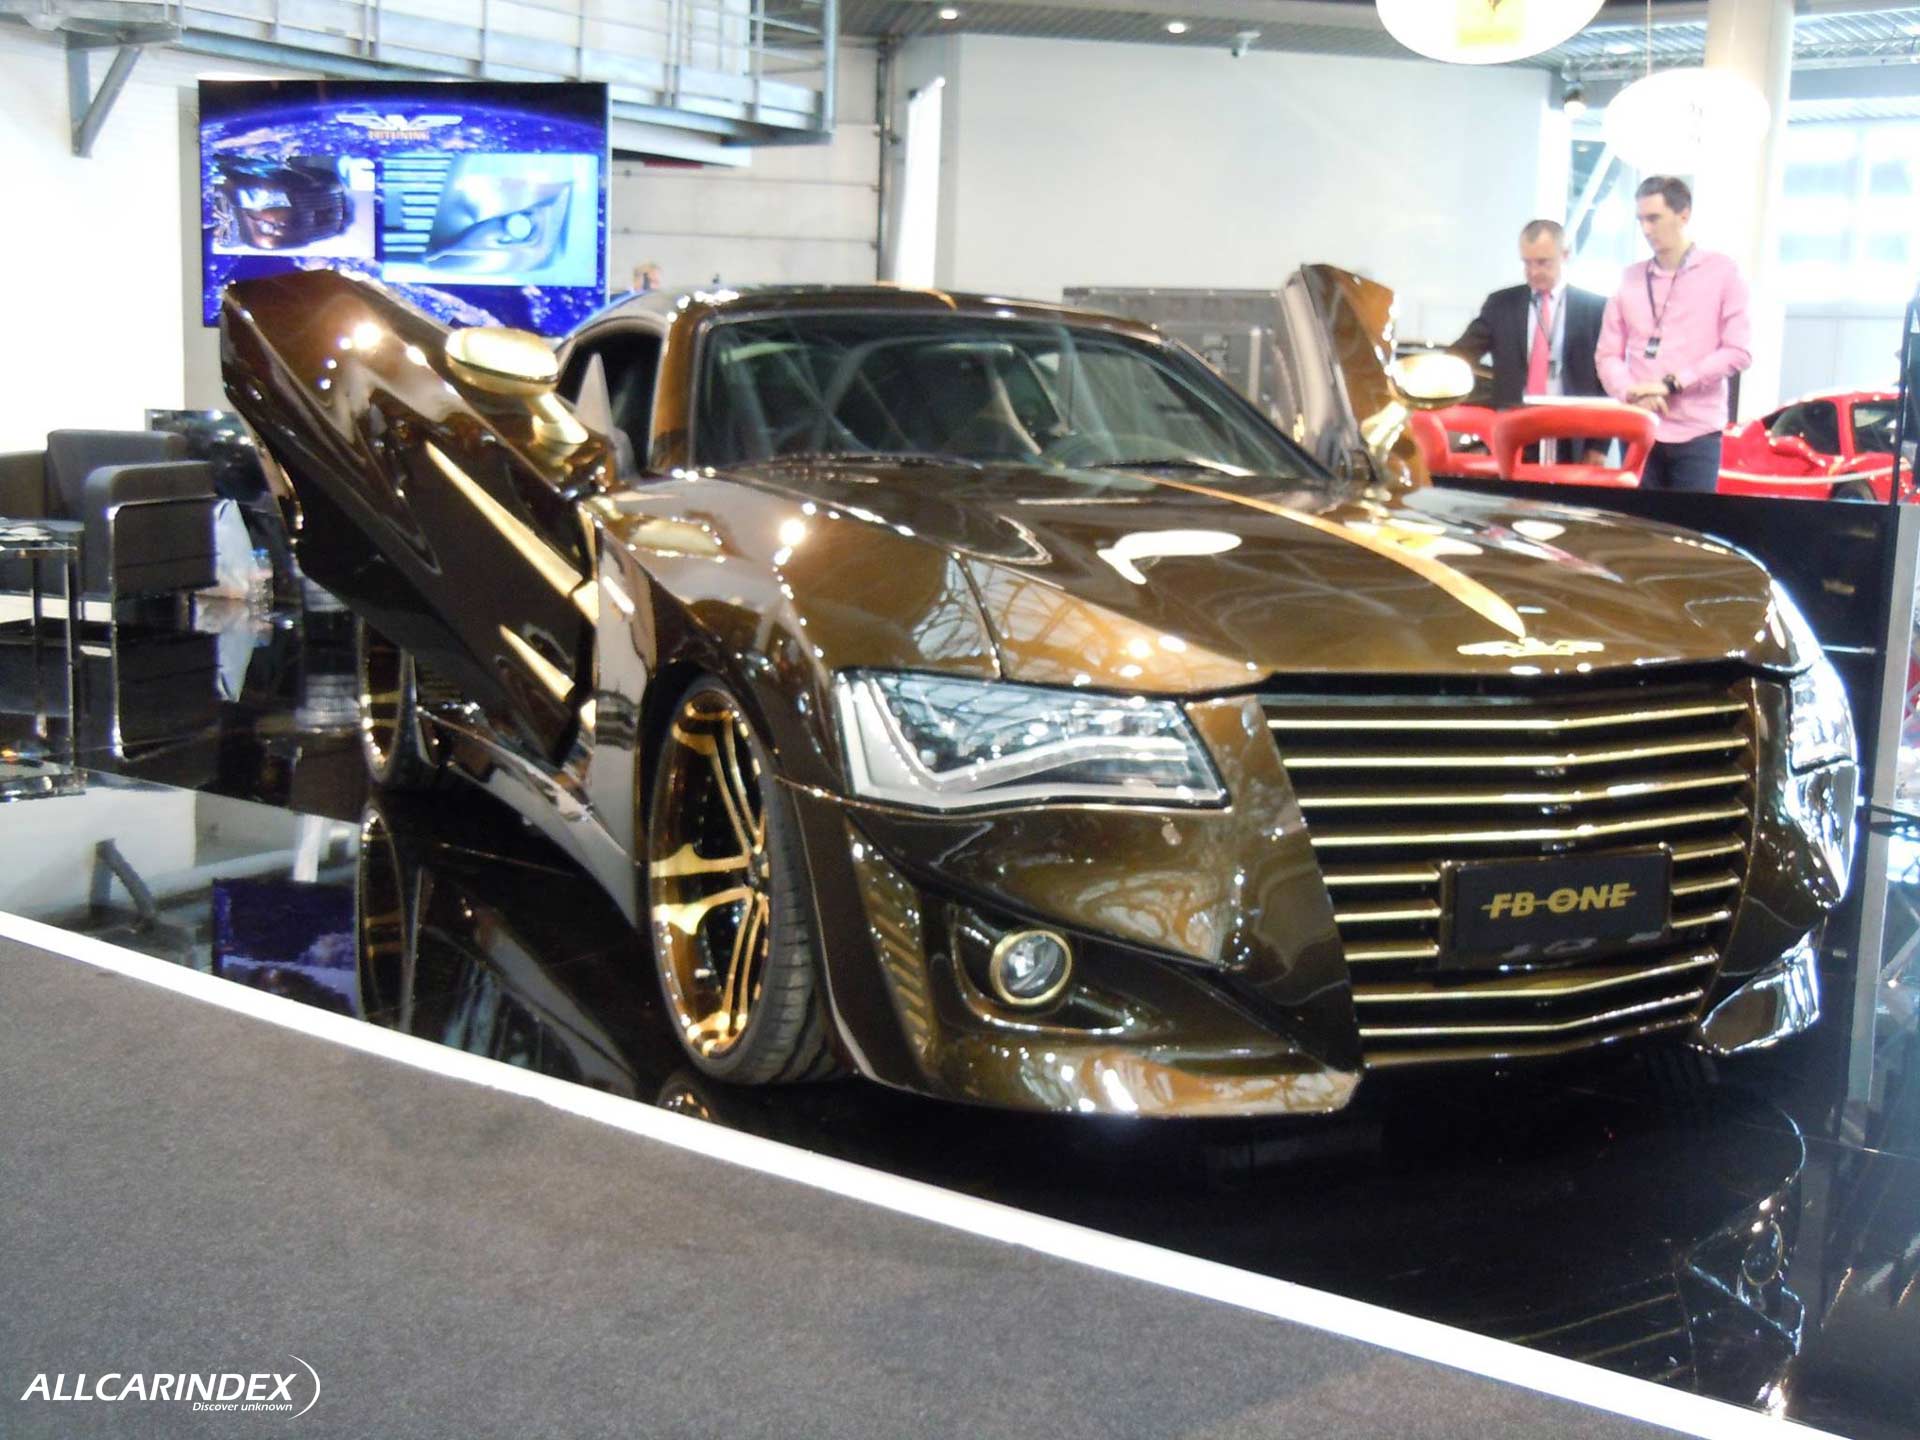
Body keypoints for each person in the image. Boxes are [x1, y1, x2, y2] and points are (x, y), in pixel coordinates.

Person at [1596, 175, 1751, 491]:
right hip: (1639, 427)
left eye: (1654, 218)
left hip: (1698, 432)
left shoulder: (1723, 272)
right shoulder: (1630, 279)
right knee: (1638, 522)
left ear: (1684, 215)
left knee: (1690, 521)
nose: (1646, 229)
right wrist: (1632, 392)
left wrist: (1674, 383)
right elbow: (1607, 355)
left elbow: (1738, 351)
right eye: (1640, 220)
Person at [1451, 219, 1610, 464]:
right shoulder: (1501, 305)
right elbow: (1462, 353)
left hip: (1572, 432)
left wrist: (1599, 446)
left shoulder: (1595, 309)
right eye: (1527, 263)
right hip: (1514, 427)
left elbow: (1606, 381)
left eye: (1543, 262)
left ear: (1565, 255)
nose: (1534, 272)